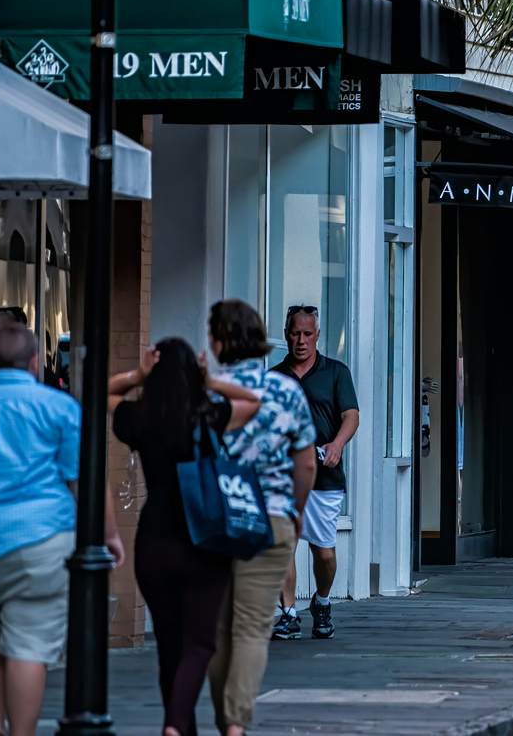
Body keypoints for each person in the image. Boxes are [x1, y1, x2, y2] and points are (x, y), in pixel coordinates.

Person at [110, 339, 260, 736]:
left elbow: (106, 392)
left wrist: (138, 375)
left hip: (154, 541)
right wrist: (210, 380)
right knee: (200, 642)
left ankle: (179, 726)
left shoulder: (140, 417)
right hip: (204, 537)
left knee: (169, 646)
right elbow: (252, 401)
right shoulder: (209, 414)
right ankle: (176, 725)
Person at [0, 324, 120, 736]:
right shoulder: (59, 407)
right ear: (32, 364)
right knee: (28, 644)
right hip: (43, 538)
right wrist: (109, 535)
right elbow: (85, 480)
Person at [204, 301, 316, 736]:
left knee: (217, 629)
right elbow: (305, 463)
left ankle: (224, 717)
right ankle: (235, 722)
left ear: (216, 341)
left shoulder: (205, 391)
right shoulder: (285, 390)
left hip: (216, 519)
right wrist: (297, 509)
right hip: (271, 516)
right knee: (252, 626)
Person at [270, 306, 357, 642]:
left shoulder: (335, 372)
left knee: (323, 551)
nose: (301, 340)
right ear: (286, 334)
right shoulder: (274, 377)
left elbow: (351, 415)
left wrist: (336, 445)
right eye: (295, 333)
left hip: (324, 476)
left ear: (317, 336)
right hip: (284, 475)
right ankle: (289, 614)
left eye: (307, 334)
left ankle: (322, 602)